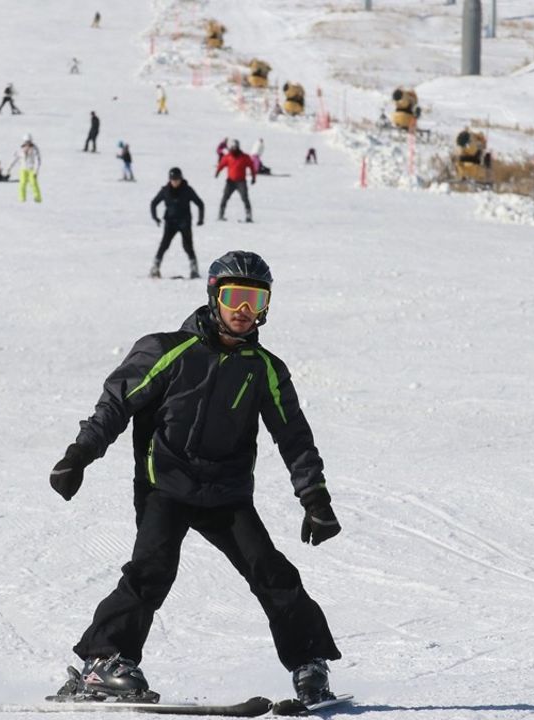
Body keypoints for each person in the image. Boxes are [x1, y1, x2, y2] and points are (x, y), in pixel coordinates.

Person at [48, 249, 342, 704]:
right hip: (165, 484)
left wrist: (315, 499)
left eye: (256, 300)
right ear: (213, 297)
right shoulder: (168, 351)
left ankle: (309, 664)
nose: (245, 311)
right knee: (152, 570)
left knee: (272, 572)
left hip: (226, 493)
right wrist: (80, 454)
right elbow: (116, 405)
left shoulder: (265, 369)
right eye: (235, 297)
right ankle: (103, 661)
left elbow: (295, 438)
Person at [148, 167, 205, 279]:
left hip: (184, 222)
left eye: (177, 179)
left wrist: (200, 219)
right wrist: (155, 217)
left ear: (181, 179)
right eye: (173, 179)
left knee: (188, 246)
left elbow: (200, 203)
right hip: (170, 223)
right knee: (164, 245)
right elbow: (154, 203)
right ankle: (155, 267)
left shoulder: (187, 190)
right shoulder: (165, 190)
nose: (175, 181)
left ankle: (194, 269)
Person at [214, 140, 256, 222]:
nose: (233, 148)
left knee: (245, 198)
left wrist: (253, 178)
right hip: (230, 182)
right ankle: (221, 214)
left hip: (241, 182)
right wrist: (217, 172)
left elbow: (251, 166)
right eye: (232, 147)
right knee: (225, 197)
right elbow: (221, 165)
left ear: (238, 147)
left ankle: (249, 216)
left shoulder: (244, 157)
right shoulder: (228, 157)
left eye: (235, 147)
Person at [9, 134, 42, 203]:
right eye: (26, 141)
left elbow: (37, 161)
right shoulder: (20, 149)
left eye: (29, 141)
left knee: (33, 183)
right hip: (23, 169)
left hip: (31, 169)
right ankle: (22, 198)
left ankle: (37, 198)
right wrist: (9, 167)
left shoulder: (34, 149)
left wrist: (36, 171)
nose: (27, 143)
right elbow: (15, 158)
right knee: (22, 183)